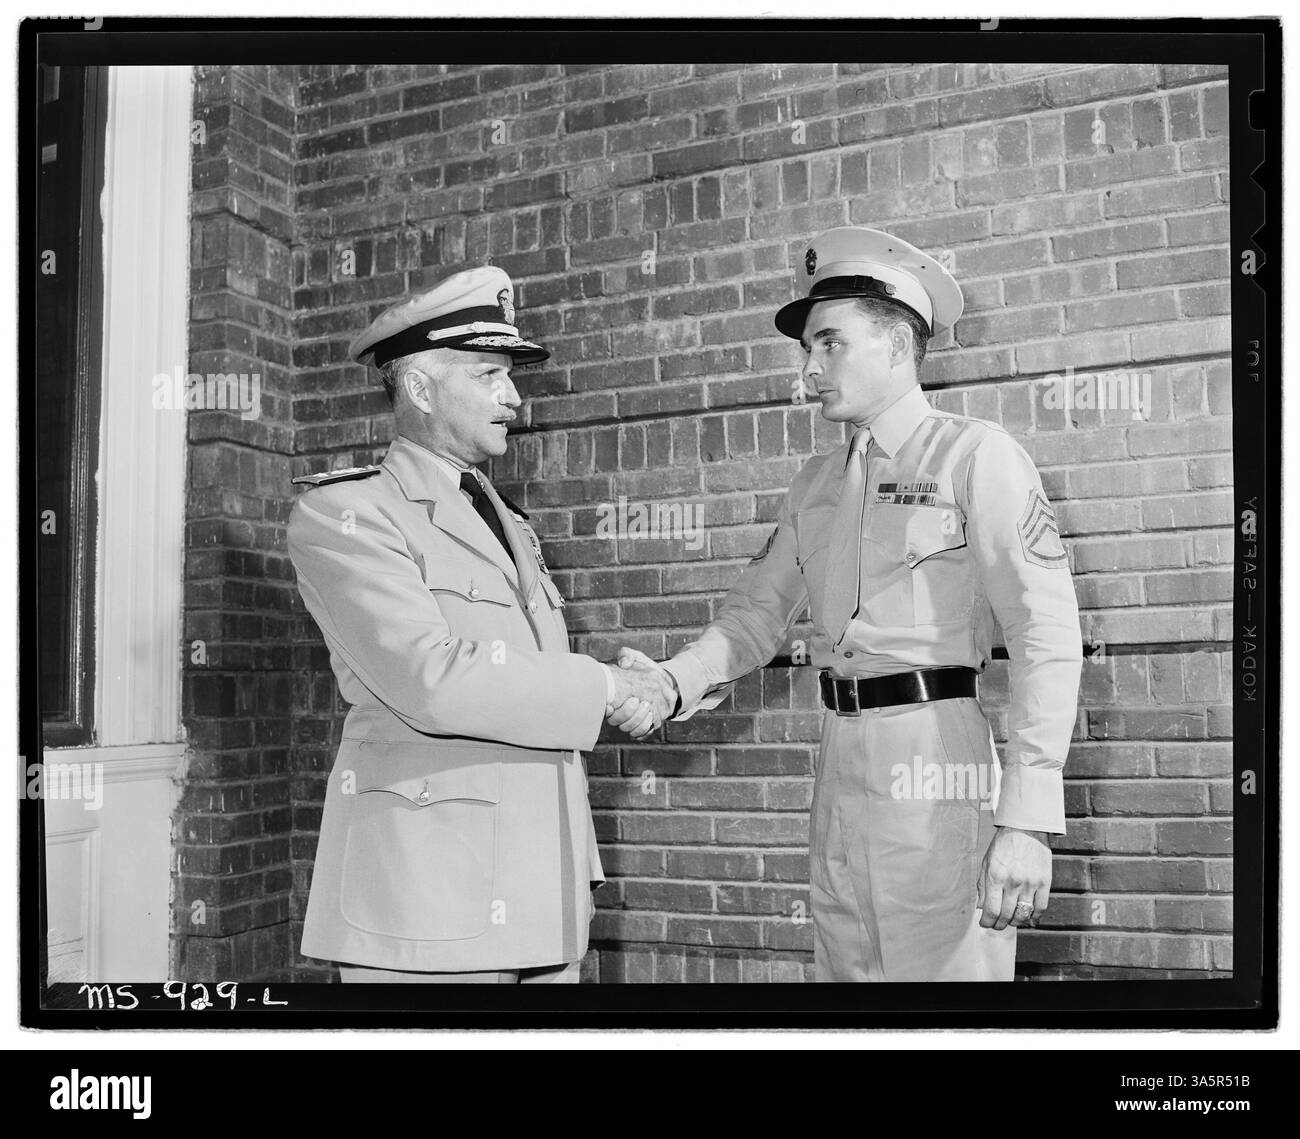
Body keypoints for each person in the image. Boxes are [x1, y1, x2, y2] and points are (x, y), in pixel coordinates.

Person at [613, 227, 1083, 982]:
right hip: (839, 769)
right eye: (807, 349)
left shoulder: (975, 457)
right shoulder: (815, 484)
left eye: (829, 344)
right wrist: (672, 681)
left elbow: (1047, 635)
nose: (808, 369)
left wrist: (1026, 818)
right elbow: (753, 617)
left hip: (937, 765)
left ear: (898, 346)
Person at [288, 265, 673, 983]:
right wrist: (604, 685)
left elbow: (525, 687)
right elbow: (432, 677)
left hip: (543, 893)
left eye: (510, 375)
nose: (514, 396)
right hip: (431, 903)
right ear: (419, 386)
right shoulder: (346, 516)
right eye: (490, 373)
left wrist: (644, 686)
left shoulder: (507, 521)